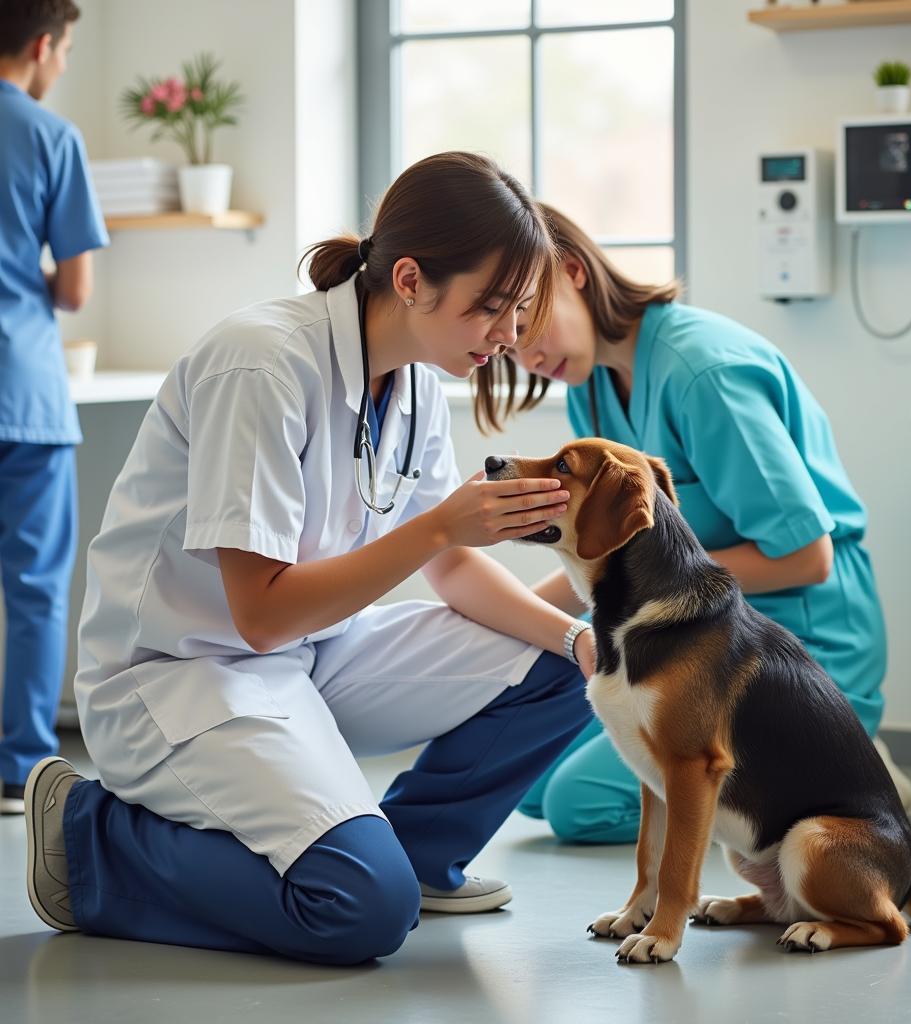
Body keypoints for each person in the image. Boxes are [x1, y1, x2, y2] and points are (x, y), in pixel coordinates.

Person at [23, 152, 596, 966]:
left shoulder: (418, 380)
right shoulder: (262, 363)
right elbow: (260, 614)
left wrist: (580, 641)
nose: (508, 338)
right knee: (359, 910)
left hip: (313, 653)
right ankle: (90, 841)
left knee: (574, 666)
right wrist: (439, 528)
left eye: (521, 312)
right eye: (492, 310)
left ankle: (416, 853)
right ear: (409, 280)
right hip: (182, 676)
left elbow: (455, 572)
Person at [472, 203, 911, 845]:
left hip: (792, 642)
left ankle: (837, 781)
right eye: (500, 328)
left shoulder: (702, 372)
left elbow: (808, 557)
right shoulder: (592, 380)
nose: (516, 345)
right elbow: (613, 552)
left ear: (572, 272)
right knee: (535, 791)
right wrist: (504, 610)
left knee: (579, 805)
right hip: (684, 632)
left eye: (523, 314)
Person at [0, 1, 108, 815]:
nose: (63, 64)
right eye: (65, 50)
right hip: (23, 394)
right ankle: (20, 769)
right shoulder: (49, 136)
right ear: (42, 44)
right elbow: (73, 288)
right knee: (35, 586)